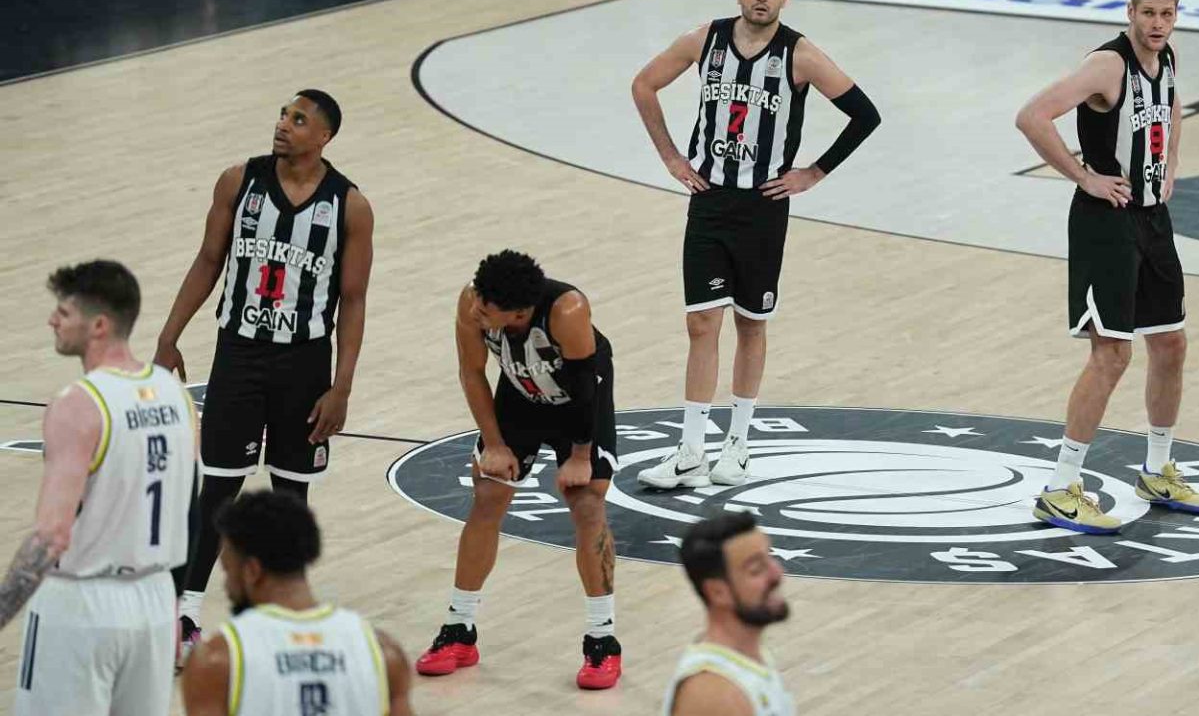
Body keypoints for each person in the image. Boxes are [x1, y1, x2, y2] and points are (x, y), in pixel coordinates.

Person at [631, 0, 880, 492]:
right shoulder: (705, 40)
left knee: (751, 322)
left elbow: (866, 115)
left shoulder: (801, 54)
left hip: (764, 206)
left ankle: (738, 446)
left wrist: (813, 172)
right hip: (710, 200)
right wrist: (671, 157)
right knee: (702, 323)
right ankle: (690, 451)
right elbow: (644, 85)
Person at [155, 90, 375, 664]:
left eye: (298, 120)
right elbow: (209, 260)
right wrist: (169, 334)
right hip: (239, 354)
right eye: (283, 115)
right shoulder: (239, 181)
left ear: (324, 136)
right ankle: (184, 614)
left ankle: (281, 614)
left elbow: (353, 300)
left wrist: (342, 386)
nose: (283, 125)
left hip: (305, 362)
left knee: (291, 493)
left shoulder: (350, 206)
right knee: (218, 487)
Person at [1014, 0, 1199, 537]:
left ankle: (1157, 470)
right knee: (1112, 355)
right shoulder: (1107, 65)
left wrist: (1171, 164)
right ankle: (1060, 488)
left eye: (1167, 14)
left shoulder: (1167, 58)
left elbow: (1172, 107)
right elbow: (1031, 116)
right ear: (1130, 12)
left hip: (1153, 219)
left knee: (1170, 343)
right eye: (1148, 13)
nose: (1157, 24)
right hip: (1106, 222)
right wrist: (1084, 176)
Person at [414, 250, 623, 689]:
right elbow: (472, 372)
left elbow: (585, 390)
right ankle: (459, 629)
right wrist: (493, 444)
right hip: (520, 397)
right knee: (487, 497)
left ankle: (602, 640)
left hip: (578, 404)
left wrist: (580, 456)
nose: (476, 309)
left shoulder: (568, 311)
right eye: (477, 299)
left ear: (519, 313)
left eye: (486, 308)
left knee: (587, 506)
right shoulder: (472, 301)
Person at [4, 261, 198, 716]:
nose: (52, 320)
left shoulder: (77, 405)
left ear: (99, 326)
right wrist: (173, 605)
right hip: (154, 601)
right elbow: (190, 513)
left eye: (64, 312)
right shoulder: (177, 397)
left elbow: (51, 537)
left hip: (81, 604)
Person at [181, 491, 414, 715]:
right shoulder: (383, 653)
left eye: (228, 571)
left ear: (252, 571)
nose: (227, 587)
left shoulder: (217, 660)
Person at [663, 513, 793, 716]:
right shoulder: (715, 693)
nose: (777, 573)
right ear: (718, 592)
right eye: (757, 569)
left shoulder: (746, 658)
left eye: (770, 557)